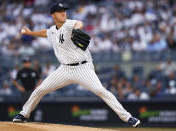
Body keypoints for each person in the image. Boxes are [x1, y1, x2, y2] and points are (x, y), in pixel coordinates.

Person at [13, 2, 141, 127]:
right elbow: (46, 32)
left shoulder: (69, 24)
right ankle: (24, 114)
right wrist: (30, 33)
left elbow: (79, 23)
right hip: (64, 69)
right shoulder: (52, 31)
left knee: (101, 91)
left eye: (64, 11)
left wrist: (77, 29)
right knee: (40, 90)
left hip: (83, 68)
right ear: (53, 15)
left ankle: (128, 117)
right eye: (60, 12)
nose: (64, 13)